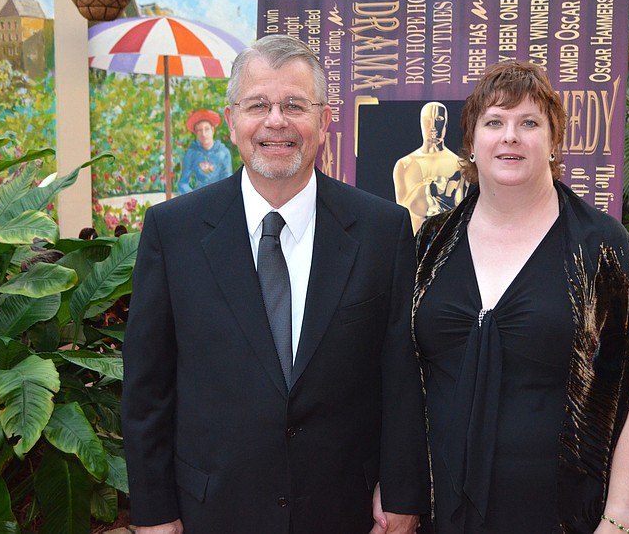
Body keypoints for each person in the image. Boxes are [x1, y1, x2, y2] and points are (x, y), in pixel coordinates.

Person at [122, 34, 430, 534]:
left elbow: (401, 377)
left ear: (325, 121)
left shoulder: (383, 230)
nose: (276, 121)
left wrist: (401, 493)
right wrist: (155, 513)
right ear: (231, 121)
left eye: (294, 105)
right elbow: (147, 389)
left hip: (345, 512)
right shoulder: (172, 232)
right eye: (258, 105)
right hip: (211, 513)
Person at [412, 62, 629, 533]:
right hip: (436, 510)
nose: (510, 136)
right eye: (494, 122)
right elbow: (400, 376)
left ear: (553, 142)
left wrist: (620, 518)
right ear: (472, 143)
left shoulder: (600, 245)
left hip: (557, 514)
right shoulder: (431, 242)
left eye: (529, 123)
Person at [393, 101, 468, 233]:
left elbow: (460, 208)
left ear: (445, 123)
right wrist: (427, 189)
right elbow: (402, 211)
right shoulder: (404, 165)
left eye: (438, 119)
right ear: (421, 122)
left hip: (447, 237)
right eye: (428, 120)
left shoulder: (460, 165)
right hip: (411, 238)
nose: (433, 126)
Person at [177, 109, 232, 194]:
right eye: (199, 130)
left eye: (207, 129)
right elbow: (183, 183)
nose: (203, 134)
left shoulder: (223, 153)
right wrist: (189, 194)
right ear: (196, 133)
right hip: (198, 197)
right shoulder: (192, 153)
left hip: (219, 196)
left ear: (212, 130)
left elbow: (228, 181)